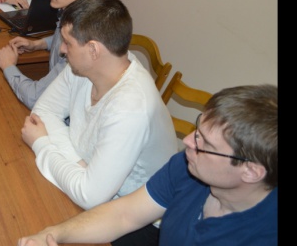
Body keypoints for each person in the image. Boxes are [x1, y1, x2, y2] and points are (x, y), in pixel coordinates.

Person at [18, 84, 278, 246]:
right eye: (197, 129)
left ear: (251, 171)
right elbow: (124, 215)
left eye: (205, 143)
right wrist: (52, 235)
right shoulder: (189, 166)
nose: (188, 141)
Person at [21, 0, 178, 245]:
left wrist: (42, 144)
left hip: (137, 223)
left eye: (68, 43)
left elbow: (89, 196)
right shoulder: (88, 67)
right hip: (95, 193)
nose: (61, 49)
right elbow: (43, 113)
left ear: (93, 50)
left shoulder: (130, 107)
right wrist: (78, 163)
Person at [0, 0, 102, 110]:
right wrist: (38, 44)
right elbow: (60, 37)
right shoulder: (73, 14)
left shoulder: (81, 43)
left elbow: (35, 98)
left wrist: (8, 66)